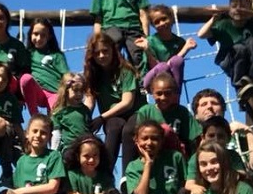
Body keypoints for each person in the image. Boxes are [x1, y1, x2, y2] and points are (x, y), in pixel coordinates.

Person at [197, 0, 253, 122]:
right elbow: (201, 34)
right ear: (229, 9)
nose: (238, 10)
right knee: (239, 48)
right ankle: (240, 86)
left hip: (250, 65)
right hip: (231, 63)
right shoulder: (224, 24)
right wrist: (213, 19)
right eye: (234, 6)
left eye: (243, 7)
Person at [82, 33, 141, 170]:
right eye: (97, 53)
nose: (102, 56)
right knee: (114, 127)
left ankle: (127, 177)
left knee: (128, 130)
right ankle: (104, 172)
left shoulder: (125, 71)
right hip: (112, 117)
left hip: (134, 113)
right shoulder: (93, 75)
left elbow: (128, 102)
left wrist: (101, 118)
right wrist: (83, 117)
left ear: (113, 50)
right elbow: (90, 101)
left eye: (105, 51)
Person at [3, 114, 66, 194]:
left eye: (43, 133)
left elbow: (53, 187)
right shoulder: (21, 161)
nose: (38, 135)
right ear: (27, 134)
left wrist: (23, 191)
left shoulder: (53, 156)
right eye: (35, 131)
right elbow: (17, 189)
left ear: (50, 137)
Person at [135, 72, 201, 155]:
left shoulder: (182, 112)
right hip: (153, 155)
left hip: (176, 156)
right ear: (152, 93)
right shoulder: (145, 111)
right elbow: (139, 139)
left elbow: (196, 138)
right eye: (159, 93)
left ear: (174, 93)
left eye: (168, 93)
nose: (163, 98)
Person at [134, 4, 197, 91]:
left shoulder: (179, 42)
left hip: (170, 80)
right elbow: (156, 66)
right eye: (157, 22)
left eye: (164, 19)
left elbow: (175, 65)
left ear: (171, 18)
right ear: (153, 26)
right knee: (162, 66)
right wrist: (147, 49)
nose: (162, 23)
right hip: (152, 79)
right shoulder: (150, 41)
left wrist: (187, 47)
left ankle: (176, 98)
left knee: (177, 60)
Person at [185, 116, 246, 194]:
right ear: (203, 137)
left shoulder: (232, 155)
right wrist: (194, 187)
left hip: (228, 191)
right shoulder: (196, 157)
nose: (216, 139)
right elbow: (189, 183)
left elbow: (242, 174)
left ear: (228, 138)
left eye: (220, 136)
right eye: (211, 135)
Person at [21, 18, 71, 115]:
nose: (39, 38)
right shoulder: (27, 54)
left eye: (43, 35)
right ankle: (35, 117)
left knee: (56, 115)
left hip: (54, 92)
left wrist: (69, 84)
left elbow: (66, 74)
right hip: (37, 92)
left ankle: (54, 126)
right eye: (35, 34)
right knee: (26, 78)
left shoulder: (56, 55)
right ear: (30, 34)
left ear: (49, 37)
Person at [50, 73, 92, 152]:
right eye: (75, 90)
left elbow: (89, 129)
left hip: (85, 147)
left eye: (81, 91)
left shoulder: (85, 110)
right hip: (69, 148)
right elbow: (56, 135)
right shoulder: (59, 112)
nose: (79, 94)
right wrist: (53, 153)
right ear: (66, 90)